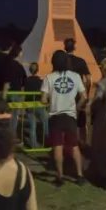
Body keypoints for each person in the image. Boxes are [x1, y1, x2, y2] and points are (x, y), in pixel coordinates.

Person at [41, 49, 86, 186]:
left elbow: (43, 100)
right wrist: (77, 108)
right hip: (70, 116)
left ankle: (60, 176)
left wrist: (51, 100)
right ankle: (79, 175)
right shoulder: (75, 76)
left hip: (55, 116)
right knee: (74, 146)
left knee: (57, 147)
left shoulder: (49, 78)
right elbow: (84, 97)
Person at [63, 38, 92, 144]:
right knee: (81, 120)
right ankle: (82, 142)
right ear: (74, 47)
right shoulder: (81, 61)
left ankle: (69, 141)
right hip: (79, 95)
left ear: (64, 47)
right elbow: (89, 80)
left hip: (65, 95)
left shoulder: (61, 61)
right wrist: (87, 94)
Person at [23, 62, 48, 149]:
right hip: (38, 104)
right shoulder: (40, 81)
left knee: (32, 125)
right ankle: (47, 141)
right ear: (38, 70)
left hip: (29, 104)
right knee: (45, 122)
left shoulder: (26, 80)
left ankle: (33, 144)